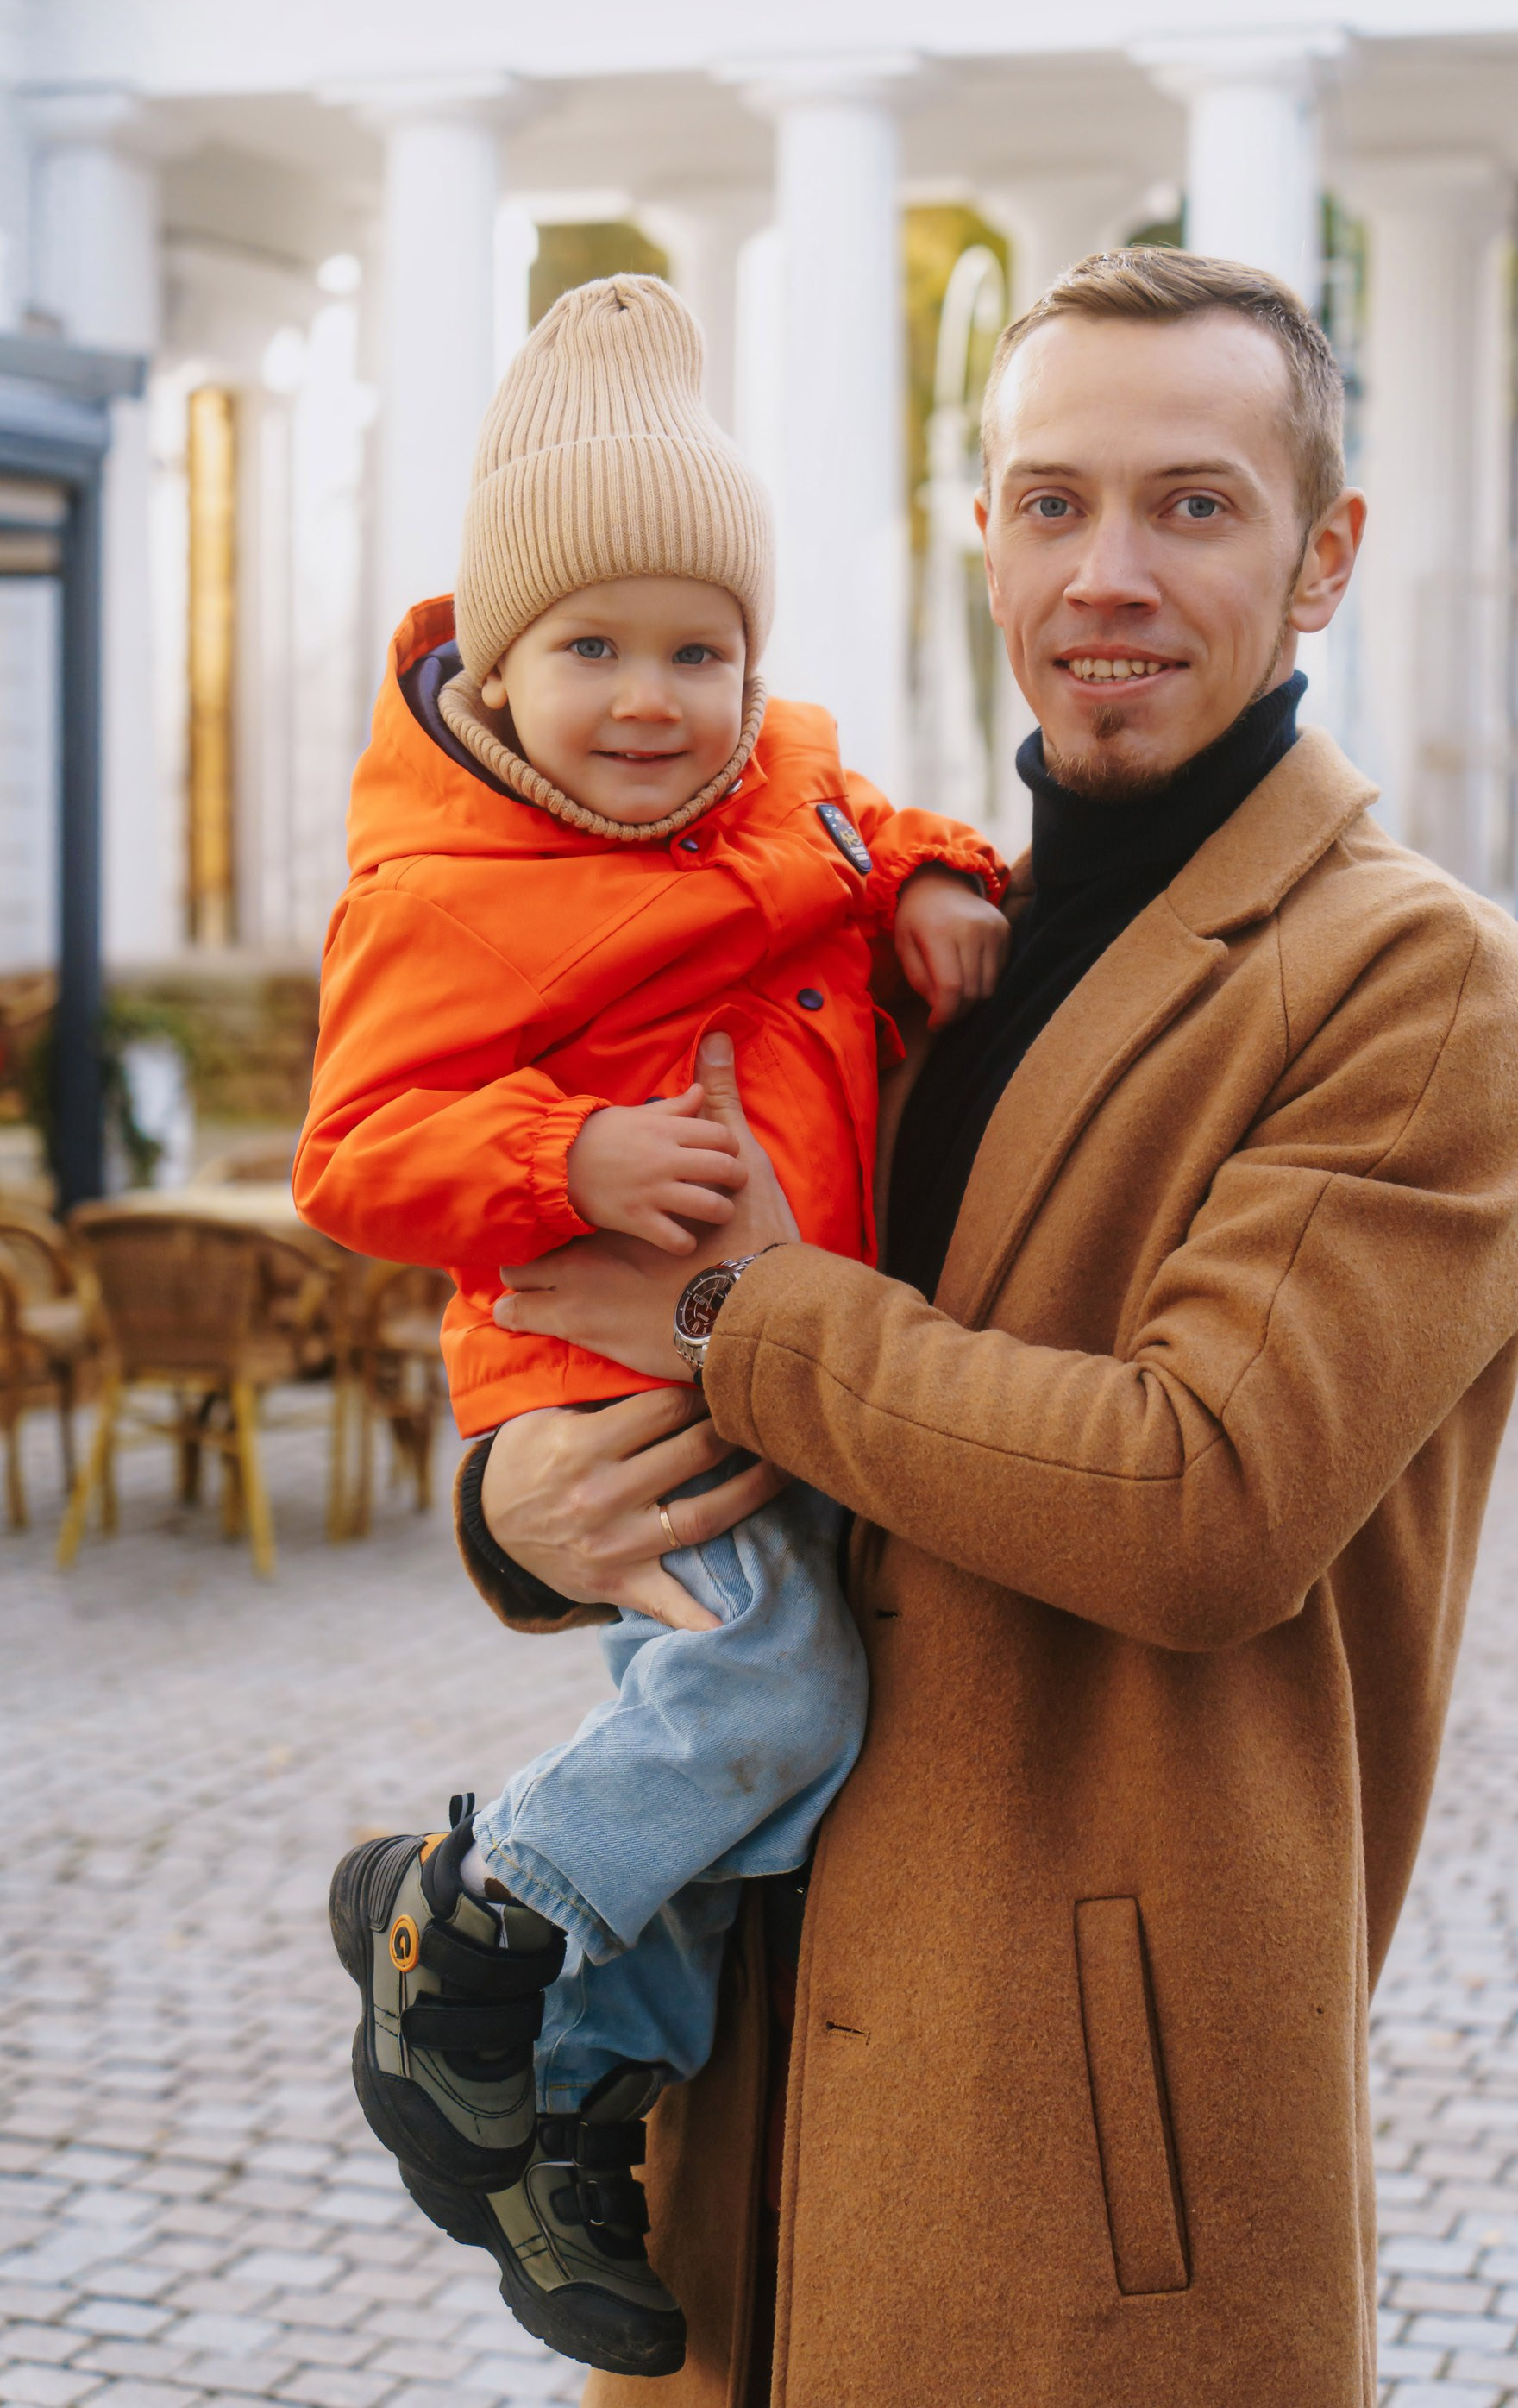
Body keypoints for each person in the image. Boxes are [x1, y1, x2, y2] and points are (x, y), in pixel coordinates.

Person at [461, 248, 1518, 2407]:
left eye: (1193, 504)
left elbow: (1202, 1500)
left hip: (1078, 2173)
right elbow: (655, 1371)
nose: (1107, 575)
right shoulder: (885, 942)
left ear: (1324, 552)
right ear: (977, 532)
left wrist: (732, 1311)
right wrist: (518, 1507)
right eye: (1048, 502)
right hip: (747, 2103)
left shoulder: (1417, 988)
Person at [292, 276, 1009, 2380]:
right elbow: (351, 1151)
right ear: (494, 671)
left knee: (747, 1792)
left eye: (699, 650)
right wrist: (564, 1159)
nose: (648, 697)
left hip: (777, 1364)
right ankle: (474, 1920)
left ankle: (575, 2094)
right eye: (590, 648)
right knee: (774, 1699)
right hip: (612, 1386)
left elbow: (885, 831)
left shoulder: (781, 797)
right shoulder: (448, 885)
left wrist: (938, 890)